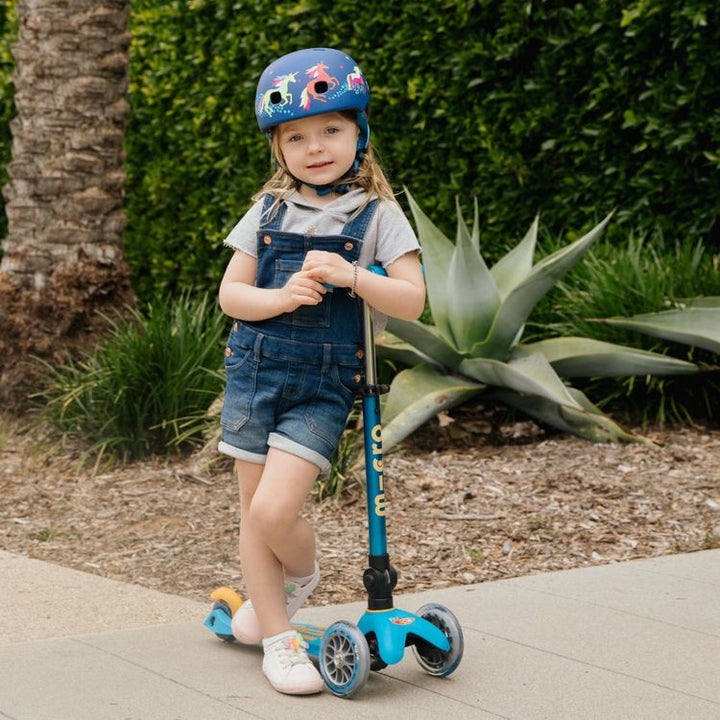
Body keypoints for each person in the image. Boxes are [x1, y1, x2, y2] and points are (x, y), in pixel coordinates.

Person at [217, 47, 425, 695]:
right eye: (295, 137)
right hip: (254, 374)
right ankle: (279, 640)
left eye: (330, 129)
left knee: (274, 513)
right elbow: (231, 295)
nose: (314, 147)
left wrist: (352, 275)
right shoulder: (267, 210)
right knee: (252, 512)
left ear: (358, 134)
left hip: (323, 384)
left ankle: (298, 575)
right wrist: (281, 298)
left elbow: (411, 300)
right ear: (278, 148)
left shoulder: (379, 215)